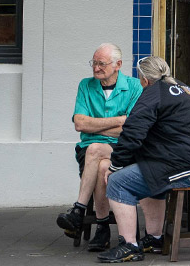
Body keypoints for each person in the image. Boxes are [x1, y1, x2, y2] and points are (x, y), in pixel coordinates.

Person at [95, 56, 190, 263]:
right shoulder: (183, 89)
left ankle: (129, 245)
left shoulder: (152, 93)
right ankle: (155, 239)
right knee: (150, 173)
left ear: (144, 80)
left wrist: (114, 166)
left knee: (118, 182)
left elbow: (132, 134)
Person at [56, 43, 143, 252]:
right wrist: (118, 121)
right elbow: (79, 124)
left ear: (118, 65)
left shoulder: (133, 87)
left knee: (95, 148)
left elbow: (131, 128)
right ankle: (102, 227)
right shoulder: (86, 85)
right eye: (94, 63)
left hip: (123, 150)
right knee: (102, 165)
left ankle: (79, 211)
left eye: (101, 64)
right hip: (88, 152)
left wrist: (94, 127)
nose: (96, 68)